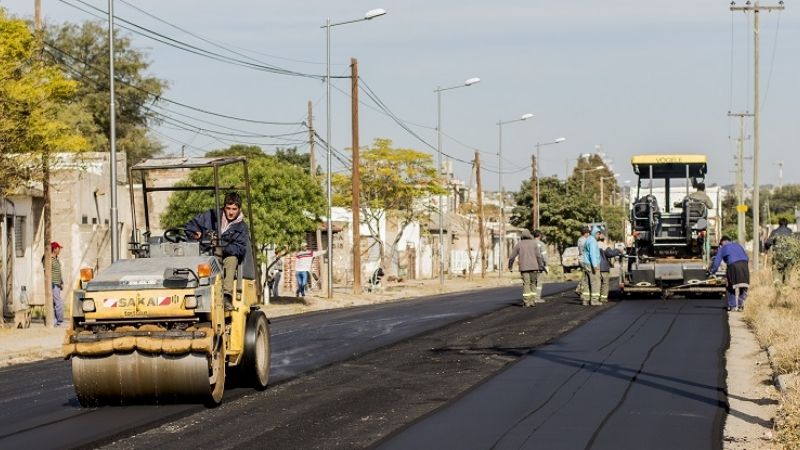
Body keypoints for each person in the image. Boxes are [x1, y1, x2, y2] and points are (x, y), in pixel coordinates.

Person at [185, 191, 249, 311]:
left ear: (239, 209)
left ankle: (226, 296)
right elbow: (190, 225)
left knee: (232, 260)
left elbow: (240, 249)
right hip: (204, 253)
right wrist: (195, 233)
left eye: (234, 209)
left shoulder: (242, 228)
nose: (230, 212)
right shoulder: (211, 216)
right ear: (224, 207)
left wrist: (221, 246)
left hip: (225, 256)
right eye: (228, 208)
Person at [709, 236, 750, 312]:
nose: (721, 246)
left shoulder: (723, 248)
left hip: (733, 265)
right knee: (743, 285)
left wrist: (712, 272)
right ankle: (741, 305)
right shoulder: (738, 245)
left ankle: (733, 306)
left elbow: (716, 262)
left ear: (723, 242)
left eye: (721, 244)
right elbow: (747, 257)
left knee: (730, 285)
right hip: (744, 265)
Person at [508, 229, 545, 307]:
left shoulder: (519, 244)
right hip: (534, 268)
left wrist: (510, 266)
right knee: (533, 283)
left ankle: (526, 301)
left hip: (524, 268)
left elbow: (512, 257)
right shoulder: (534, 244)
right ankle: (532, 300)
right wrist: (540, 266)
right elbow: (538, 256)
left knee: (526, 283)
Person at [597, 232, 622, 304]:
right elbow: (610, 254)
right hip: (603, 267)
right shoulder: (603, 245)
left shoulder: (593, 244)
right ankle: (603, 298)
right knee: (605, 283)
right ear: (604, 239)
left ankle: (596, 298)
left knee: (597, 283)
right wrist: (618, 250)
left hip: (595, 267)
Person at [582, 226, 602, 306]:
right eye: (599, 234)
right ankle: (594, 300)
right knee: (595, 282)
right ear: (596, 233)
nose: (599, 236)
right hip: (591, 264)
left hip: (586, 263)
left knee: (586, 282)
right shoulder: (593, 241)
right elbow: (592, 254)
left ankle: (585, 299)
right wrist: (595, 265)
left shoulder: (588, 240)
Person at [49, 242, 65, 326]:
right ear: (54, 249)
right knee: (59, 303)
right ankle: (60, 321)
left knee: (55, 303)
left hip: (57, 284)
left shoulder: (56, 259)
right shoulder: (49, 259)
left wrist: (61, 282)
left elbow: (58, 272)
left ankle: (55, 321)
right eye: (59, 248)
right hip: (53, 284)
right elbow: (47, 272)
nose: (59, 250)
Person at [533, 230, 548, 303]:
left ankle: (531, 298)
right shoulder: (541, 244)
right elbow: (544, 256)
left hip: (530, 266)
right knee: (539, 282)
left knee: (532, 282)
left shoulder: (530, 244)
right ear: (539, 236)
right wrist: (546, 265)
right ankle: (537, 298)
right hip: (539, 266)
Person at [575, 226, 591, 296]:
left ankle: (579, 288)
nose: (589, 234)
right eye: (588, 233)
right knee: (587, 275)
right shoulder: (585, 240)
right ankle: (580, 289)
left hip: (581, 259)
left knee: (585, 274)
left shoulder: (580, 239)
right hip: (585, 259)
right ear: (586, 233)